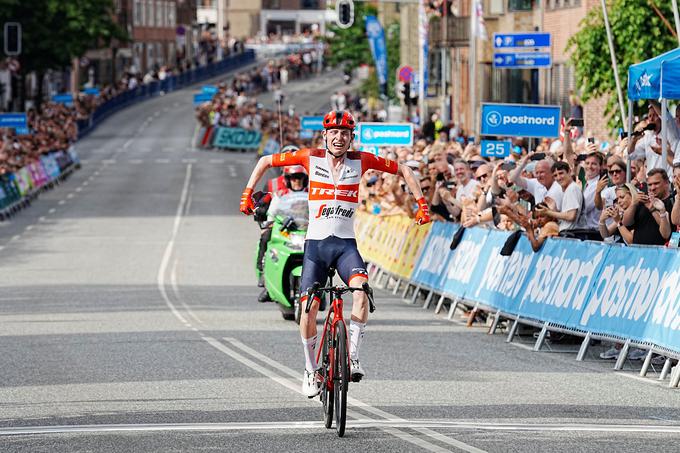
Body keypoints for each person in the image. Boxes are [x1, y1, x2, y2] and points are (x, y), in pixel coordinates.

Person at [239, 110, 431, 397]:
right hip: (316, 246)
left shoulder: (361, 160)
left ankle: (352, 356)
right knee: (308, 309)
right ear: (325, 136)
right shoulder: (309, 157)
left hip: (345, 246)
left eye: (345, 133)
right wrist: (247, 193)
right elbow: (266, 161)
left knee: (362, 291)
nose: (339, 137)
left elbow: (404, 168)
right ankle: (309, 369)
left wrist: (421, 203)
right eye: (334, 133)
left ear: (351, 137)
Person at [255, 164, 309, 302]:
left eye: (300, 178)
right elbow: (271, 214)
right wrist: (268, 223)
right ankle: (265, 278)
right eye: (293, 178)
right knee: (266, 236)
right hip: (286, 232)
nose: (297, 181)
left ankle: (324, 287)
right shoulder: (280, 196)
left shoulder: (312, 195)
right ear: (287, 180)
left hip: (306, 232)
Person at [622, 168, 674, 245]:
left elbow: (667, 233)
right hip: (638, 251)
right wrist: (633, 204)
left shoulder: (672, 202)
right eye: (649, 184)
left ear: (666, 183)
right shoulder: (642, 200)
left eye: (656, 183)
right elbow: (626, 223)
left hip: (661, 253)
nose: (652, 188)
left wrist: (652, 210)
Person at [535, 161, 582, 234]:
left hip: (570, 235)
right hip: (565, 233)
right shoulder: (568, 189)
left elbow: (571, 216)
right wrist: (554, 210)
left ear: (569, 171)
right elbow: (567, 217)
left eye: (561, 173)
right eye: (555, 175)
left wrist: (549, 212)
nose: (559, 178)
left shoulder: (572, 188)